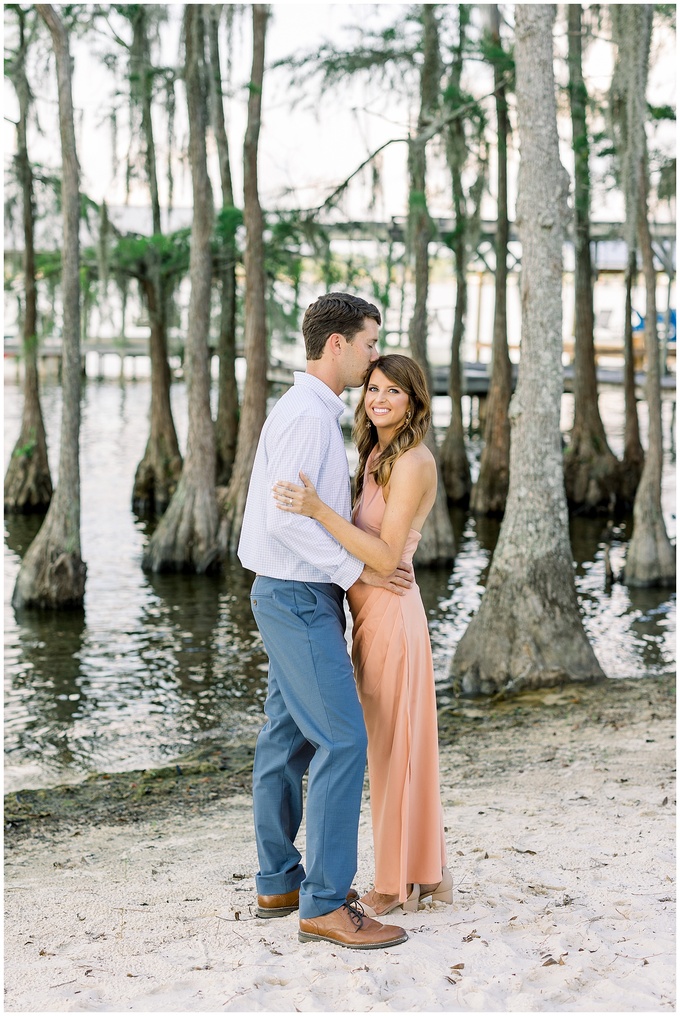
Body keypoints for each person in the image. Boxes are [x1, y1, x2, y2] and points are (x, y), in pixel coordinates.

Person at [238, 293, 411, 950]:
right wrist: (356, 573)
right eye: (370, 343)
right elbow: (286, 519)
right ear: (336, 344)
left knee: (286, 741)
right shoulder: (308, 418)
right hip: (298, 595)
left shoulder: (307, 411)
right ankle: (325, 904)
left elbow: (295, 513)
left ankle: (279, 880)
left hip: (290, 594)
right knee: (343, 741)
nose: (374, 357)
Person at [273, 353, 452, 918]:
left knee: (395, 751)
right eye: (374, 388)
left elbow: (384, 553)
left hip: (394, 617)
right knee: (387, 748)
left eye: (394, 391)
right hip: (369, 615)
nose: (379, 399)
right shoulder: (377, 453)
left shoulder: (413, 462)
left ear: (414, 401)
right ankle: (427, 872)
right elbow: (368, 552)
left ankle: (396, 884)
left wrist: (318, 510)